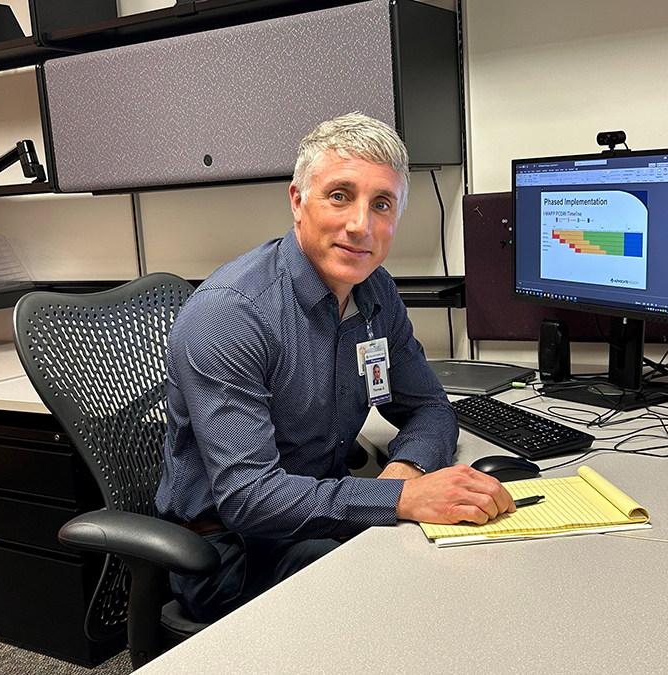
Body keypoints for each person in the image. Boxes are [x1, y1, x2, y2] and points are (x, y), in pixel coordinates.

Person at [155, 113, 515, 622]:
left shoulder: (375, 293)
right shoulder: (231, 315)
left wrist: (403, 477)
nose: (360, 225)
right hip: (229, 553)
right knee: (398, 591)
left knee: (465, 557)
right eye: (340, 195)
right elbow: (248, 497)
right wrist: (399, 500)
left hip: (320, 517)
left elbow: (430, 409)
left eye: (382, 204)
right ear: (298, 201)